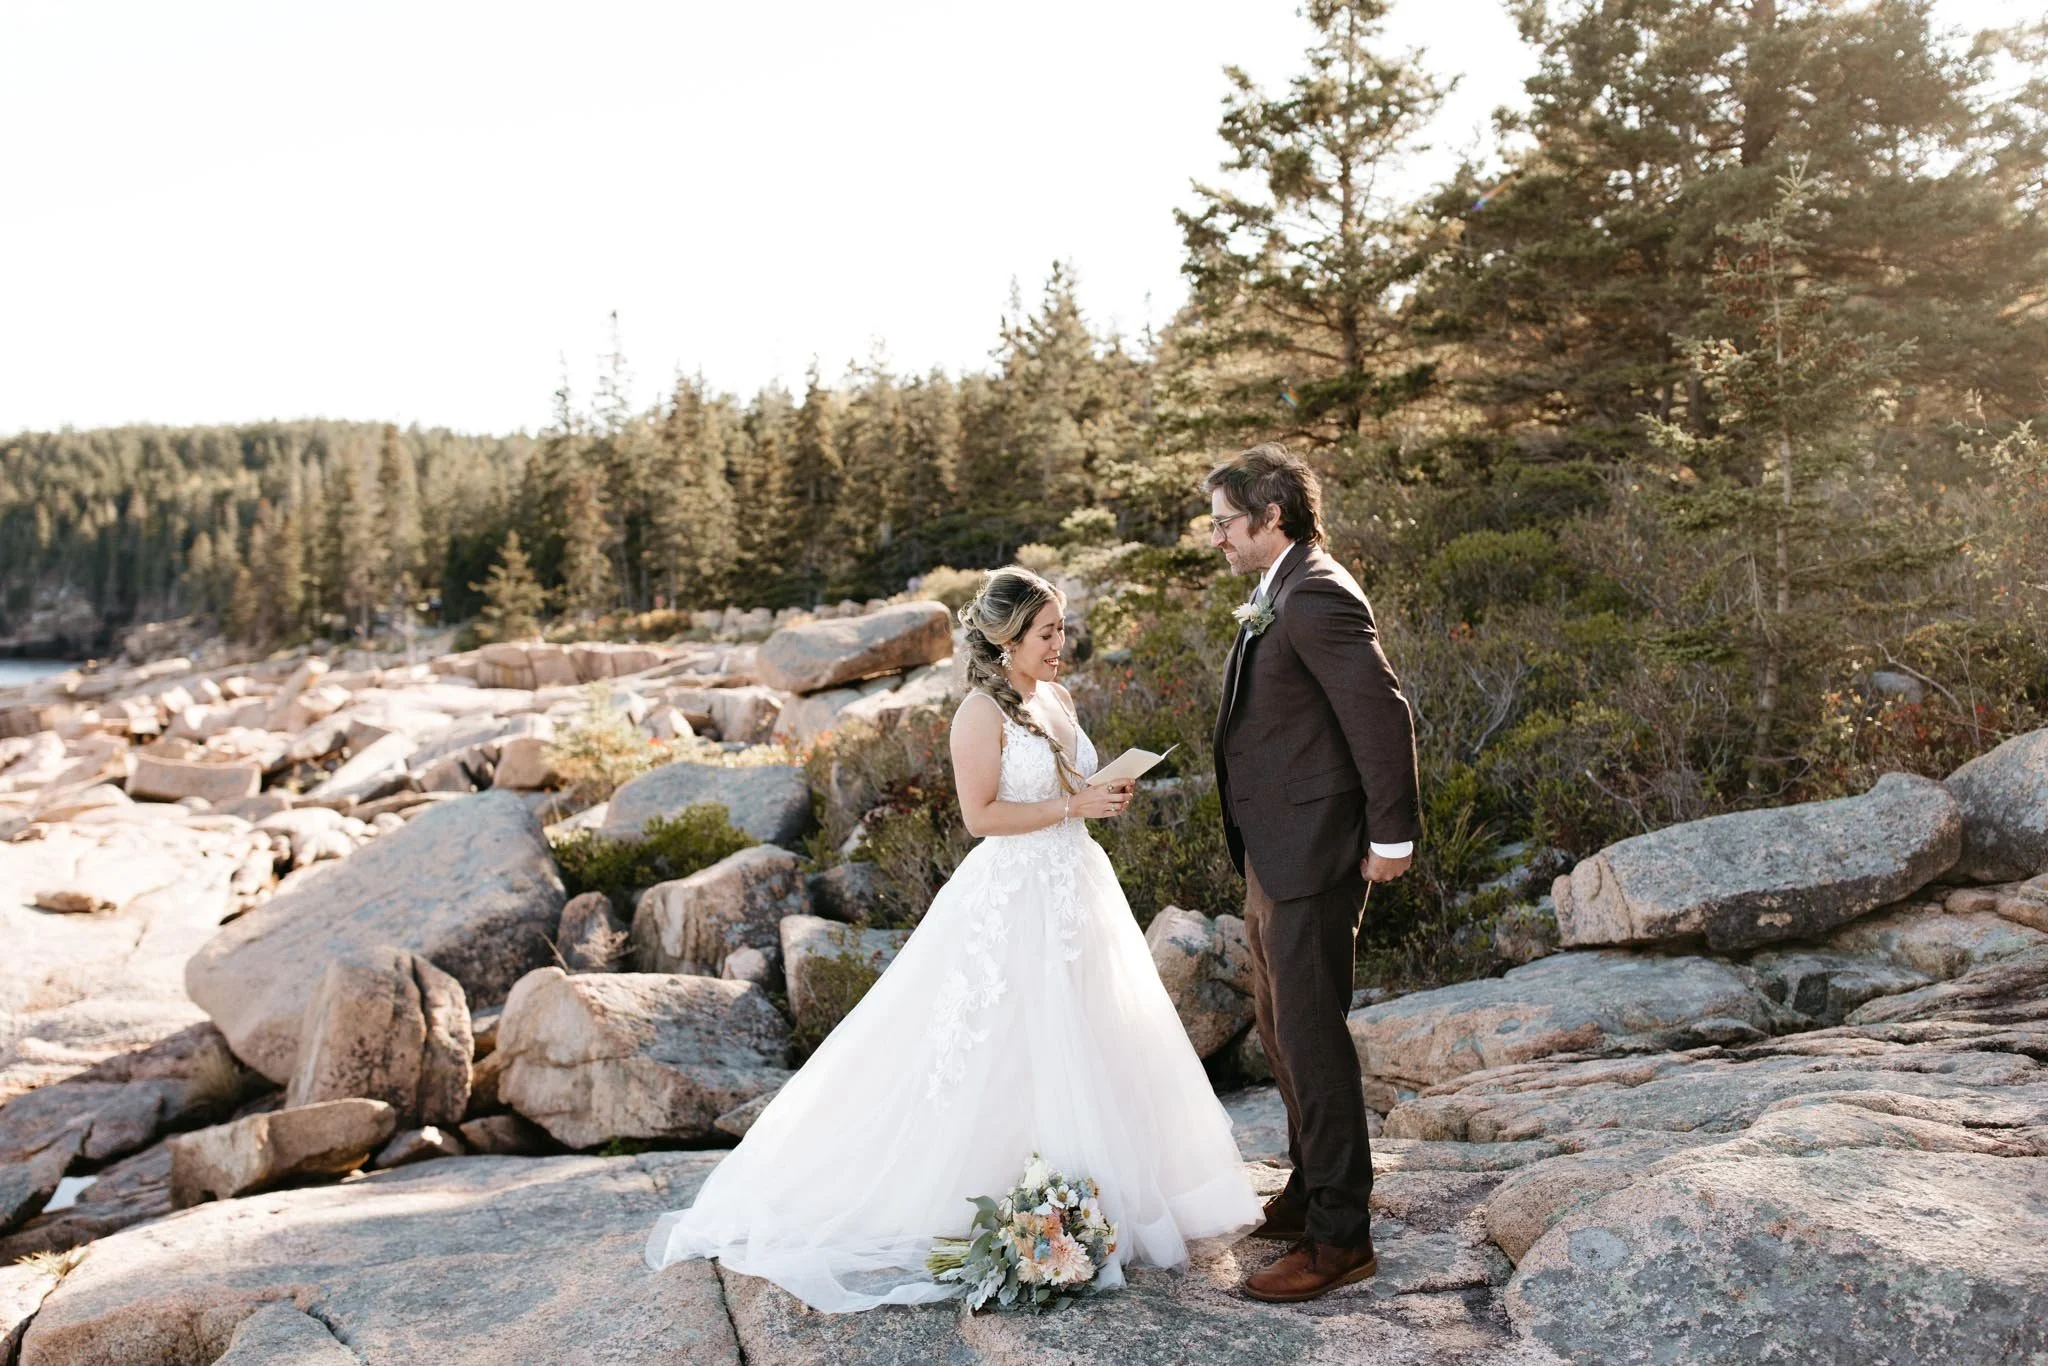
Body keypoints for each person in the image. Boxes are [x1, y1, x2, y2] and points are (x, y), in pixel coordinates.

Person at [645, 566, 1260, 1311]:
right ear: (1007, 639)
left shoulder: (1058, 697)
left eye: (1061, 629)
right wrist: (1073, 805)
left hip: (1078, 885)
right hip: (1016, 892)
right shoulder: (978, 712)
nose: (1061, 644)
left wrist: (1101, 799)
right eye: (1047, 633)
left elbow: (1067, 790)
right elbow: (981, 816)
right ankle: (1021, 1192)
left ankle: (1101, 1192)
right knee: (1005, 1039)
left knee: (1093, 1033)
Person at [1207, 442, 1422, 1303]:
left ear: (1272, 519)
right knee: (1280, 1026)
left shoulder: (1318, 591)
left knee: (1313, 1037)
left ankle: (1341, 1239)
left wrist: (1393, 836)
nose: (1216, 537)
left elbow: (1380, 711)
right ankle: (1308, 1189)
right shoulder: (1279, 586)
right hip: (1276, 850)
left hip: (1315, 849)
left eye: (1226, 522)